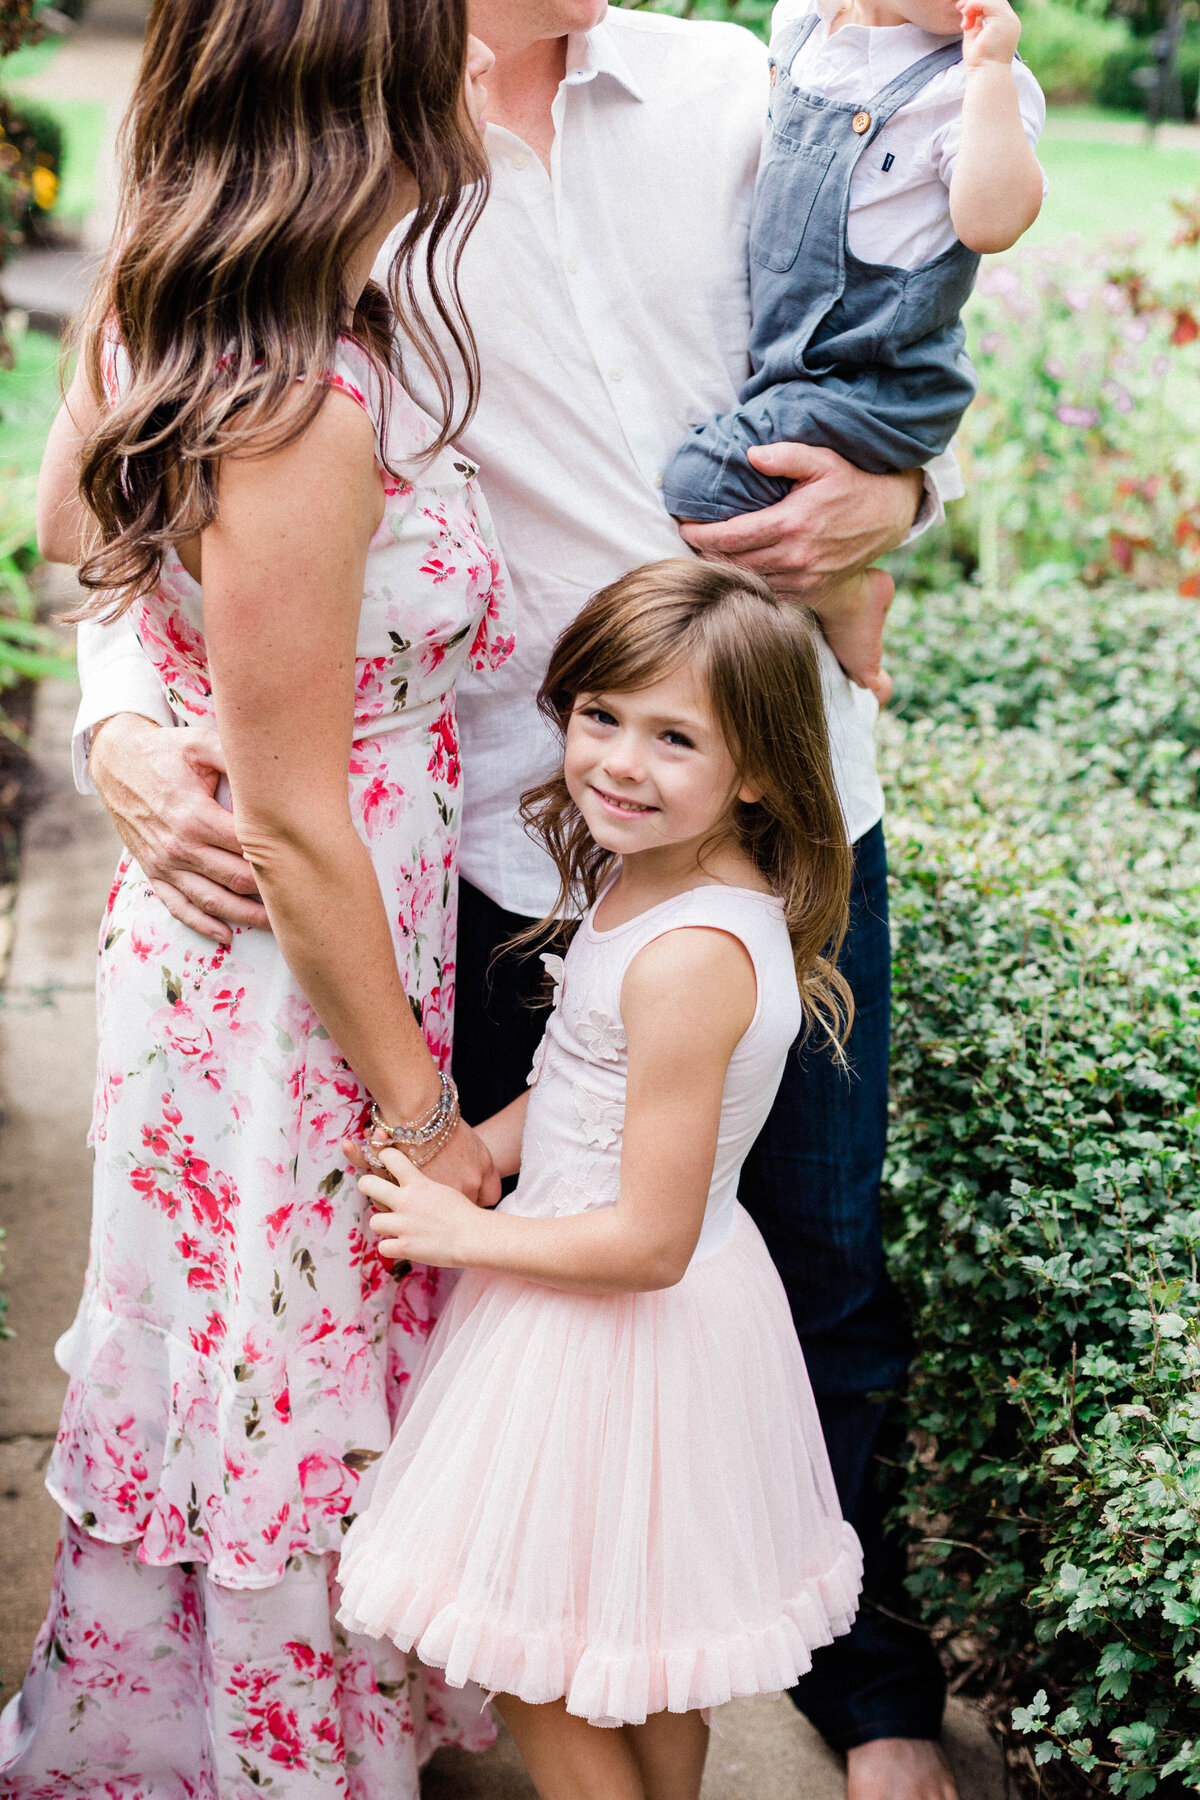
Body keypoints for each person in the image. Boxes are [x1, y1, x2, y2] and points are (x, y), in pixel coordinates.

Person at [67, 2, 964, 1793]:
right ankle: (502, 1672)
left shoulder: (729, 88)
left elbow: (887, 336)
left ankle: (855, 1690)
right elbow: (123, 474)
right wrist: (117, 721)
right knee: (515, 1302)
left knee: (822, 1262)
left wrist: (904, 484)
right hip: (493, 843)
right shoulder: (335, 164)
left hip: (785, 791)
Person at [0, 1, 515, 1792]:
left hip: (255, 953)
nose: (473, 70)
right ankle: (272, 1753)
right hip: (297, 975)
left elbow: (70, 518)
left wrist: (139, 691)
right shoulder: (301, 391)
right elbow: (298, 821)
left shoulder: (198, 301)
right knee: (279, 1347)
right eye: (444, 47)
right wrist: (430, 1119)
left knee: (241, 1338)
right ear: (357, 100)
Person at [337, 559, 865, 1800]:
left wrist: (455, 1233)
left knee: (529, 1653)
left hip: (615, 1318)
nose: (620, 762)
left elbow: (646, 1243)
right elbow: (586, 1083)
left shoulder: (691, 955)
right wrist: (480, 1148)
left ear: (759, 770)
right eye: (600, 717)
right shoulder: (661, 871)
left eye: (674, 736)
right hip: (612, 1301)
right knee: (644, 1659)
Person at [663, 0, 1046, 703]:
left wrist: (989, 73)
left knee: (703, 483)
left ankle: (842, 596)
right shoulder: (801, 25)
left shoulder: (973, 84)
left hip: (875, 380)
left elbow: (992, 223)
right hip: (793, 361)